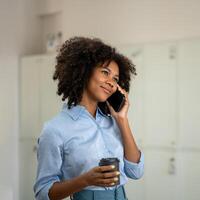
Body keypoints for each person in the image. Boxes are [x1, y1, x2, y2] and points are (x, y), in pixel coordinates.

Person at [33, 37, 144, 200]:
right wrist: (85, 180)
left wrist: (122, 119)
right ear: (84, 71)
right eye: (105, 72)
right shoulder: (55, 129)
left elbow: (136, 171)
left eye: (115, 79)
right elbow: (43, 192)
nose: (111, 83)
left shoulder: (113, 121)